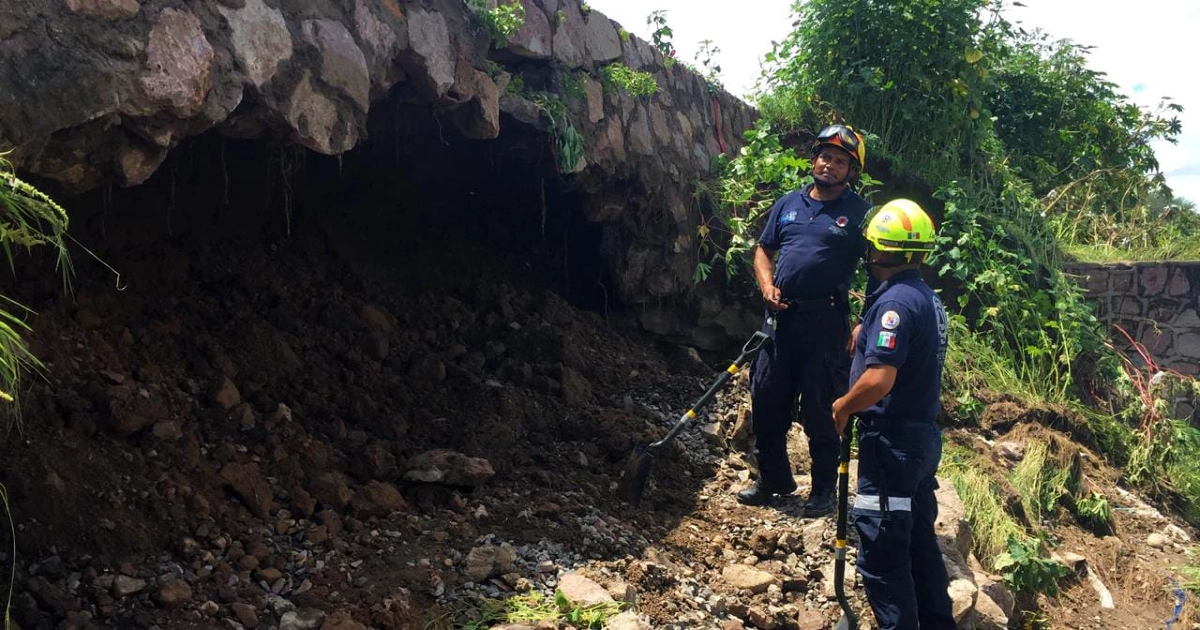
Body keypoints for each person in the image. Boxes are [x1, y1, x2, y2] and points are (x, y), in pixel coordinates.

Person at [832, 198, 955, 630]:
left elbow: (880, 380)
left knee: (882, 556)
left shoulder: (896, 305)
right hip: (920, 439)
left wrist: (844, 406)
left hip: (891, 445)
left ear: (884, 251)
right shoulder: (923, 298)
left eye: (872, 246)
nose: (867, 252)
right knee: (919, 543)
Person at [737, 125, 871, 518]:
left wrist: (865, 320)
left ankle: (824, 490)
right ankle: (773, 479)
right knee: (766, 400)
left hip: (825, 324)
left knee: (821, 408)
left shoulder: (860, 214)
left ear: (851, 171)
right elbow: (764, 249)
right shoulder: (788, 204)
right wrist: (766, 284)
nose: (829, 165)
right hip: (779, 323)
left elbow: (880, 267)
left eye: (840, 161)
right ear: (814, 159)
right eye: (825, 157)